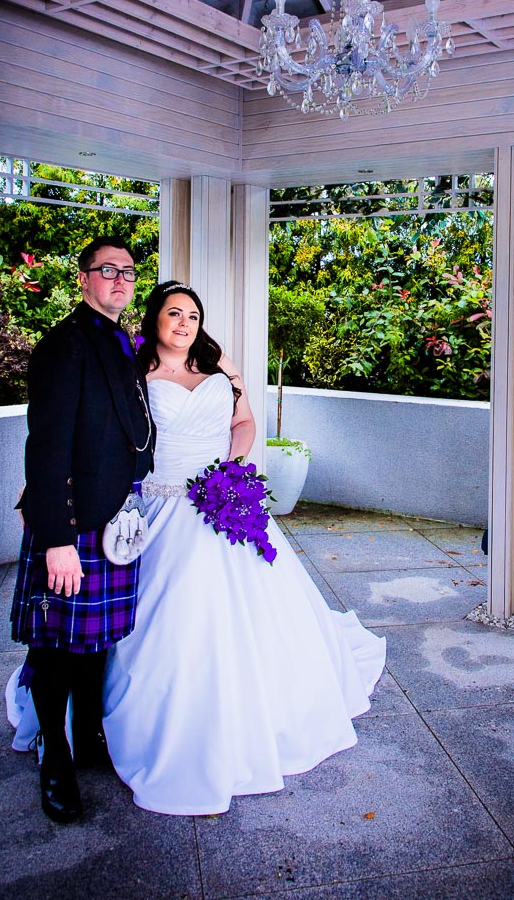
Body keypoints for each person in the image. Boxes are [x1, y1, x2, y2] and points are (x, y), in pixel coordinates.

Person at [101, 281, 386, 815]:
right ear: (154, 319)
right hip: (164, 504)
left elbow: (245, 421)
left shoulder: (218, 364)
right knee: (172, 613)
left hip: (223, 496)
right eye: (173, 313)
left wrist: (230, 468)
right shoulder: (133, 372)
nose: (184, 324)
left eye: (192, 315)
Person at [8, 236, 154, 823]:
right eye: (107, 270)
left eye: (128, 272)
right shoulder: (64, 345)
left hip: (116, 515)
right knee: (55, 648)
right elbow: (45, 450)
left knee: (96, 643)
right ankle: (55, 757)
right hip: (72, 524)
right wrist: (57, 540)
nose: (120, 280)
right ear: (83, 279)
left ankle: (89, 737)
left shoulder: (122, 343)